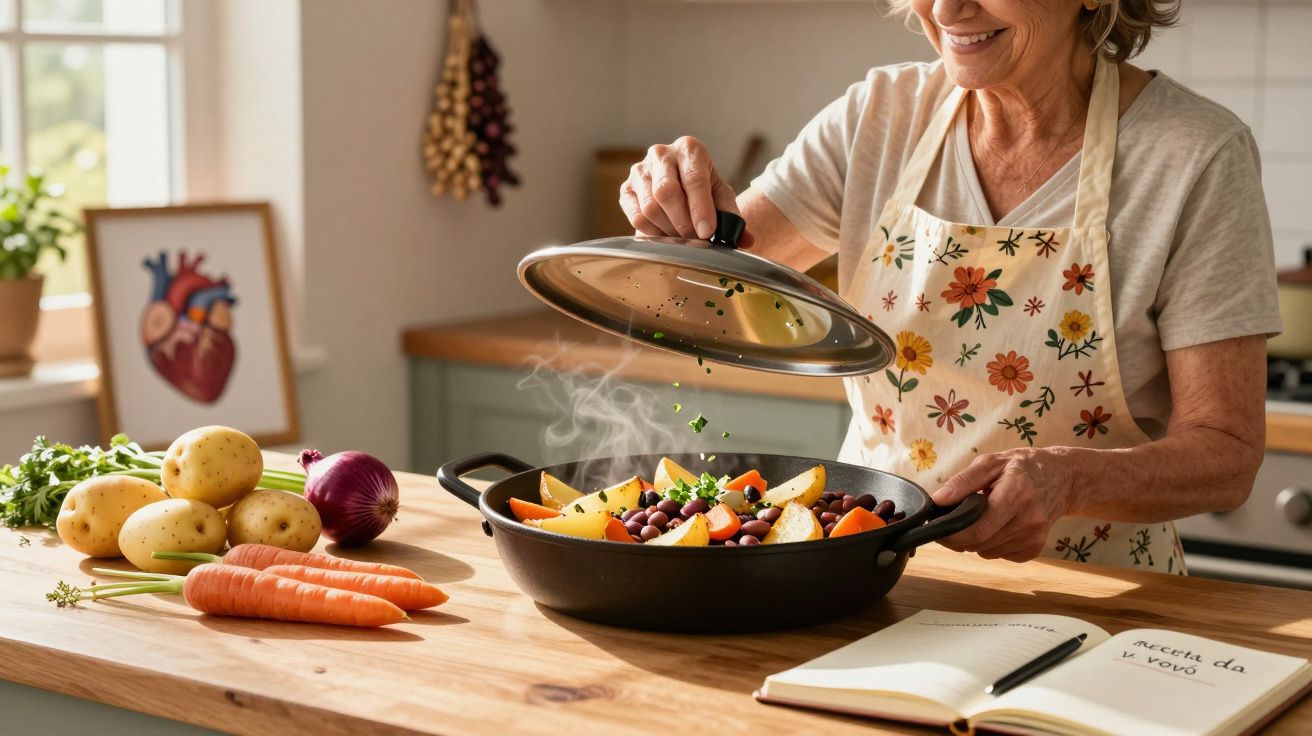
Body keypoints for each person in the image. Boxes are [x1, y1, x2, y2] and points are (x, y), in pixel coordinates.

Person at [617, 0, 1281, 572]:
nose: (945, 8)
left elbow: (1226, 455)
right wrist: (673, 197)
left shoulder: (1195, 155)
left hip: (1099, 605)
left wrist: (1066, 482)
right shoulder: (878, 118)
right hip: (870, 574)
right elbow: (707, 281)